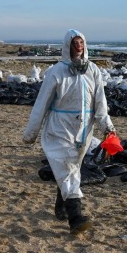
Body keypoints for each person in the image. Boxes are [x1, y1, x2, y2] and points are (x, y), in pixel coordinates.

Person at [23, 29, 116, 234]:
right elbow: (41, 104)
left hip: (84, 130)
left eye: (81, 42)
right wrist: (31, 133)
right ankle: (76, 218)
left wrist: (108, 128)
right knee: (68, 168)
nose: (79, 46)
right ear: (67, 45)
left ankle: (61, 207)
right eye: (75, 42)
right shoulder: (56, 72)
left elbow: (100, 103)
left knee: (71, 168)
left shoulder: (92, 70)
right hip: (60, 128)